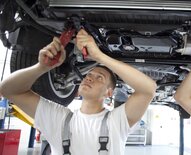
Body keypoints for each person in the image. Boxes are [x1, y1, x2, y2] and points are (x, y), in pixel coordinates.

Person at [0, 29, 157, 155]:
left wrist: (100, 56)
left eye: (99, 78)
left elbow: (148, 89)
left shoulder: (116, 122)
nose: (89, 78)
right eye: (88, 75)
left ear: (109, 93)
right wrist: (42, 67)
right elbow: (7, 90)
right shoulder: (59, 118)